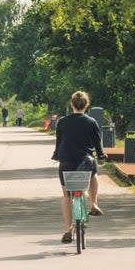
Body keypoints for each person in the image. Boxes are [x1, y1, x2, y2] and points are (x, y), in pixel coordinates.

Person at [52, 90, 106, 242]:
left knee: (66, 196)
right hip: (85, 162)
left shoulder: (62, 122)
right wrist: (101, 156)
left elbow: (59, 142)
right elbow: (97, 143)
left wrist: (57, 155)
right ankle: (93, 203)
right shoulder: (91, 122)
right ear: (86, 105)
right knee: (93, 174)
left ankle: (68, 230)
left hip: (66, 161)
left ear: (72, 105)